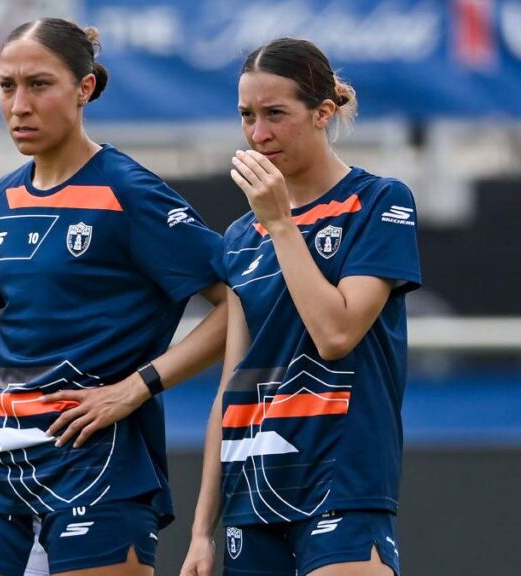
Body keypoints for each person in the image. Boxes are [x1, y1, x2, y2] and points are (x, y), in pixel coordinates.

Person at [0, 18, 229, 576]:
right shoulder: (2, 197)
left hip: (99, 465)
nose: (19, 105)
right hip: (0, 465)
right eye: (7, 85)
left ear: (84, 88)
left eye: (39, 84)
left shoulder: (129, 190)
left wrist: (136, 387)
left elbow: (237, 303)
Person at [179, 38, 421, 576]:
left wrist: (282, 224)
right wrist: (200, 531)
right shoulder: (241, 236)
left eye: (275, 114)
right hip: (251, 497)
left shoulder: (378, 202)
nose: (258, 134)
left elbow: (336, 334)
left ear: (322, 113)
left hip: (343, 488)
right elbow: (231, 388)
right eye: (247, 115)